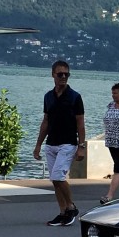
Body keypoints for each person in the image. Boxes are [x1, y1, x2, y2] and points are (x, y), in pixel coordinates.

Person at [33, 60, 85, 226]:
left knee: (58, 176)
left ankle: (71, 207)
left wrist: (81, 147)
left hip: (67, 144)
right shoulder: (48, 96)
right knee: (55, 180)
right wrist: (38, 144)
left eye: (66, 74)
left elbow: (81, 124)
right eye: (60, 74)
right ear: (53, 75)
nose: (63, 77)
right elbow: (46, 121)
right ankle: (62, 211)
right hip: (51, 143)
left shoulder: (75, 97)